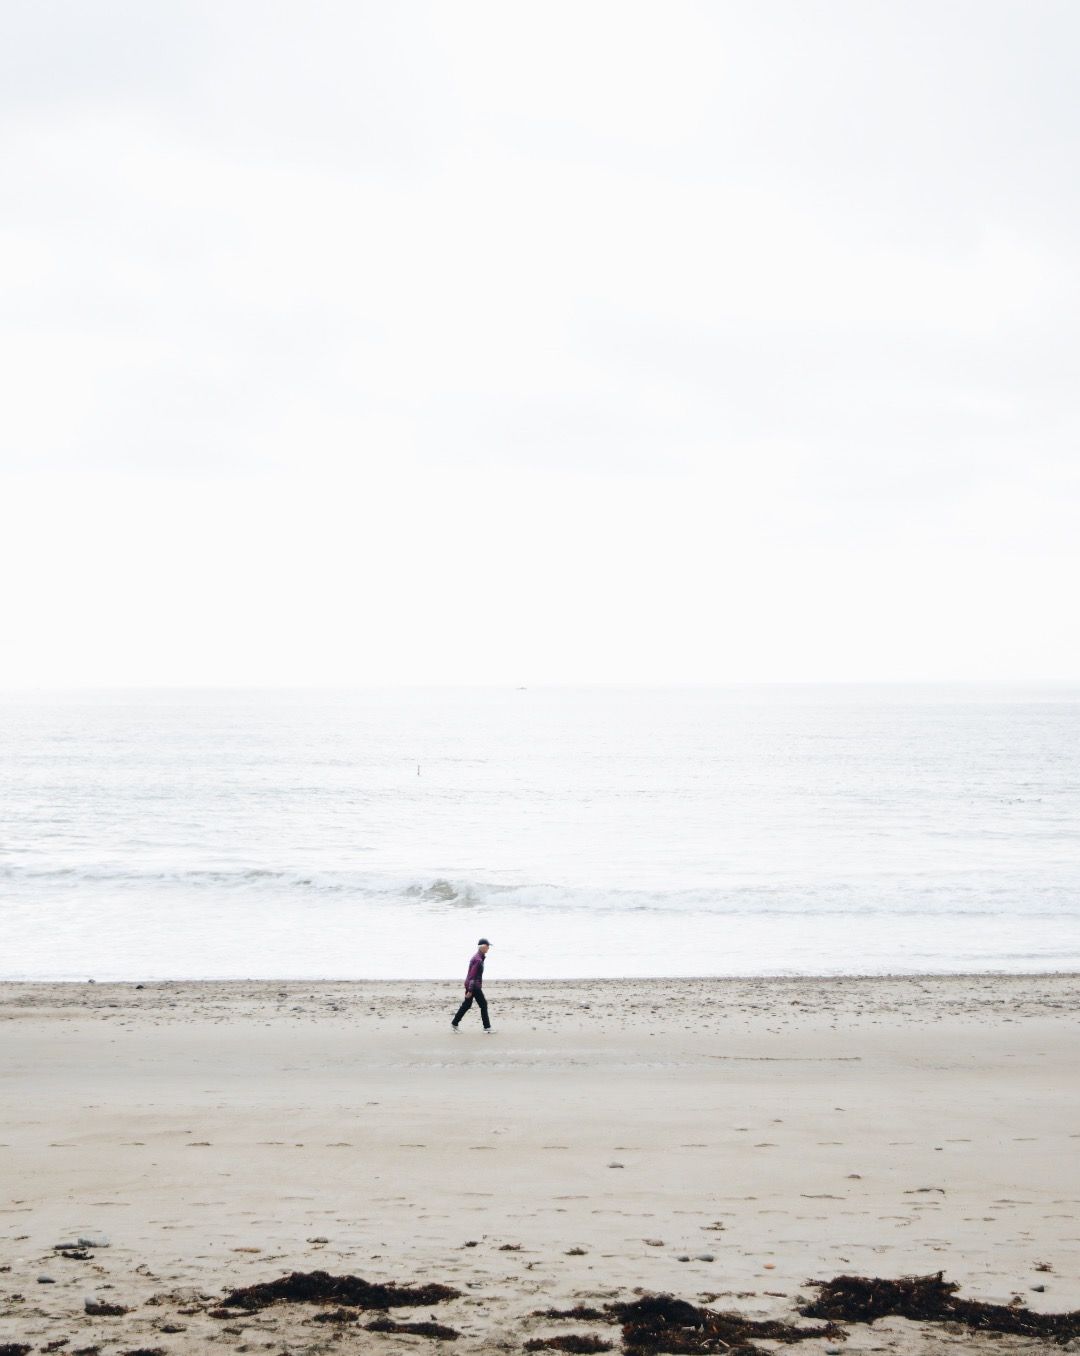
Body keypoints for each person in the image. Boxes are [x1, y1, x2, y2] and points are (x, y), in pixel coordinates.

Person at [451, 938, 493, 1033]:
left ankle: (454, 1023)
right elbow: (472, 975)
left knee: (467, 1005)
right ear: (482, 947)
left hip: (472, 984)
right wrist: (470, 990)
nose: (488, 949)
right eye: (487, 947)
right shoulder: (478, 959)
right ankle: (487, 1027)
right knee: (483, 1004)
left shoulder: (479, 957)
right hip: (474, 986)